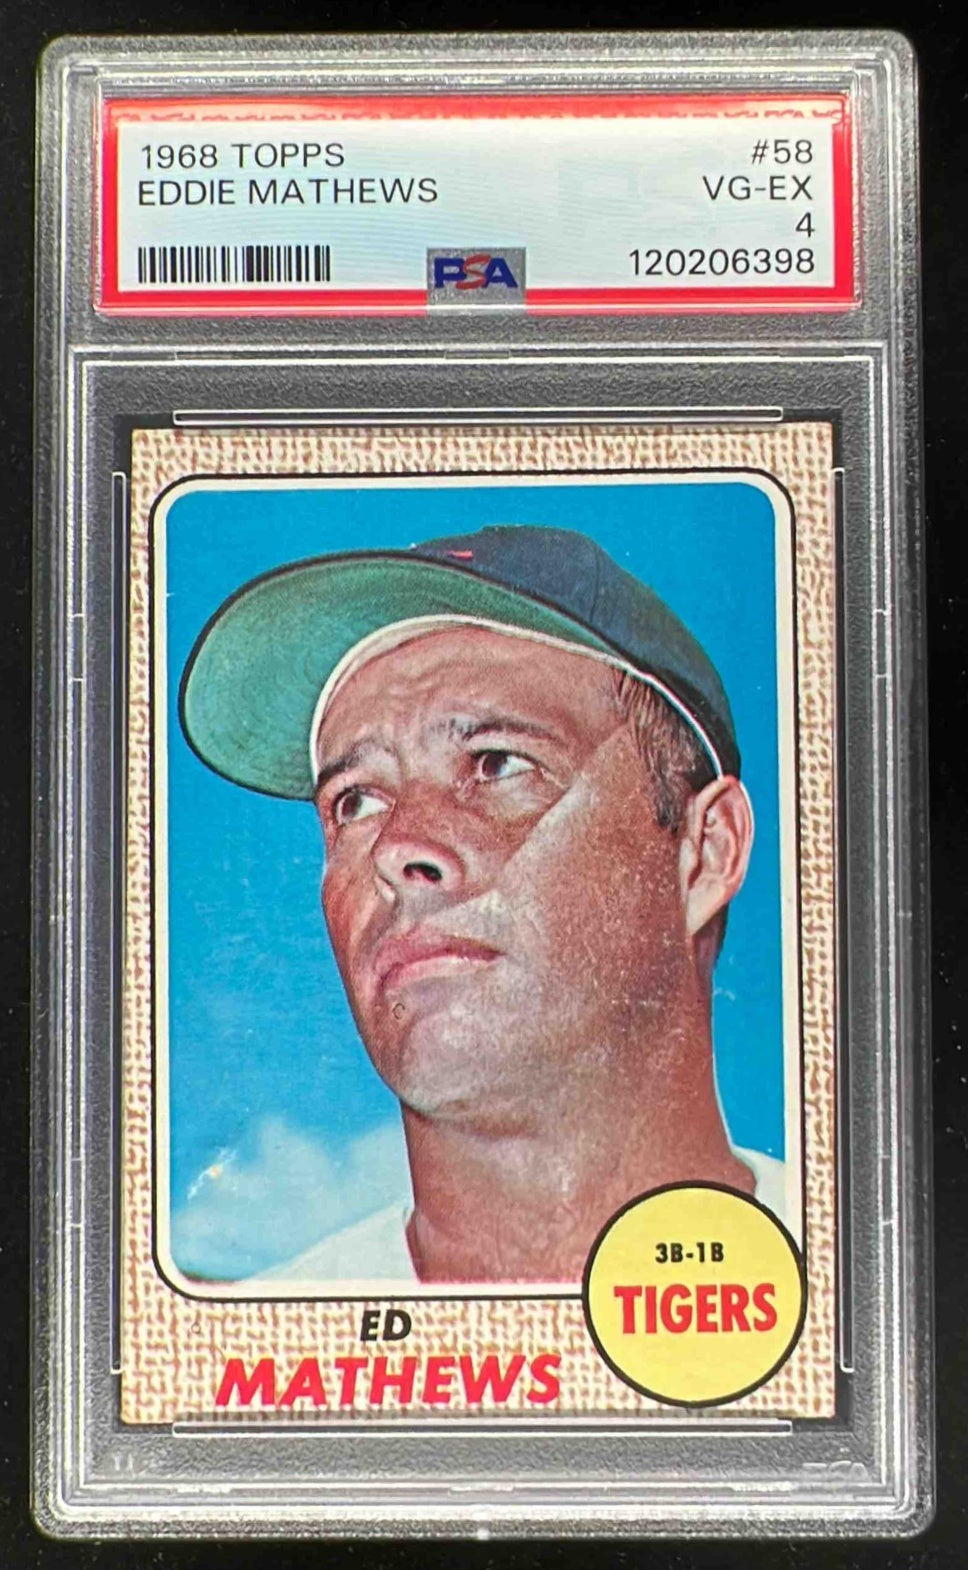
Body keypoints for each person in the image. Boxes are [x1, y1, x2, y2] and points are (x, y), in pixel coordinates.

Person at [180, 523, 786, 1285]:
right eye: (355, 801)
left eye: (496, 764)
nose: (398, 847)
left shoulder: (866, 1281)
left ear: (706, 852)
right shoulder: (255, 1338)